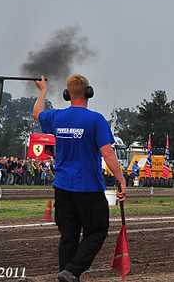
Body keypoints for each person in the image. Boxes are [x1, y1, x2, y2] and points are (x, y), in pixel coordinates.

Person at [33, 74, 126, 282]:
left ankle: (66, 274)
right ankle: (72, 271)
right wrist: (121, 180)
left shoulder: (57, 117)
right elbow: (108, 154)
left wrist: (43, 91)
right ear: (88, 92)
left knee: (69, 235)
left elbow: (37, 113)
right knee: (97, 232)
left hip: (63, 187)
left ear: (67, 94)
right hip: (88, 188)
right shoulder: (96, 120)